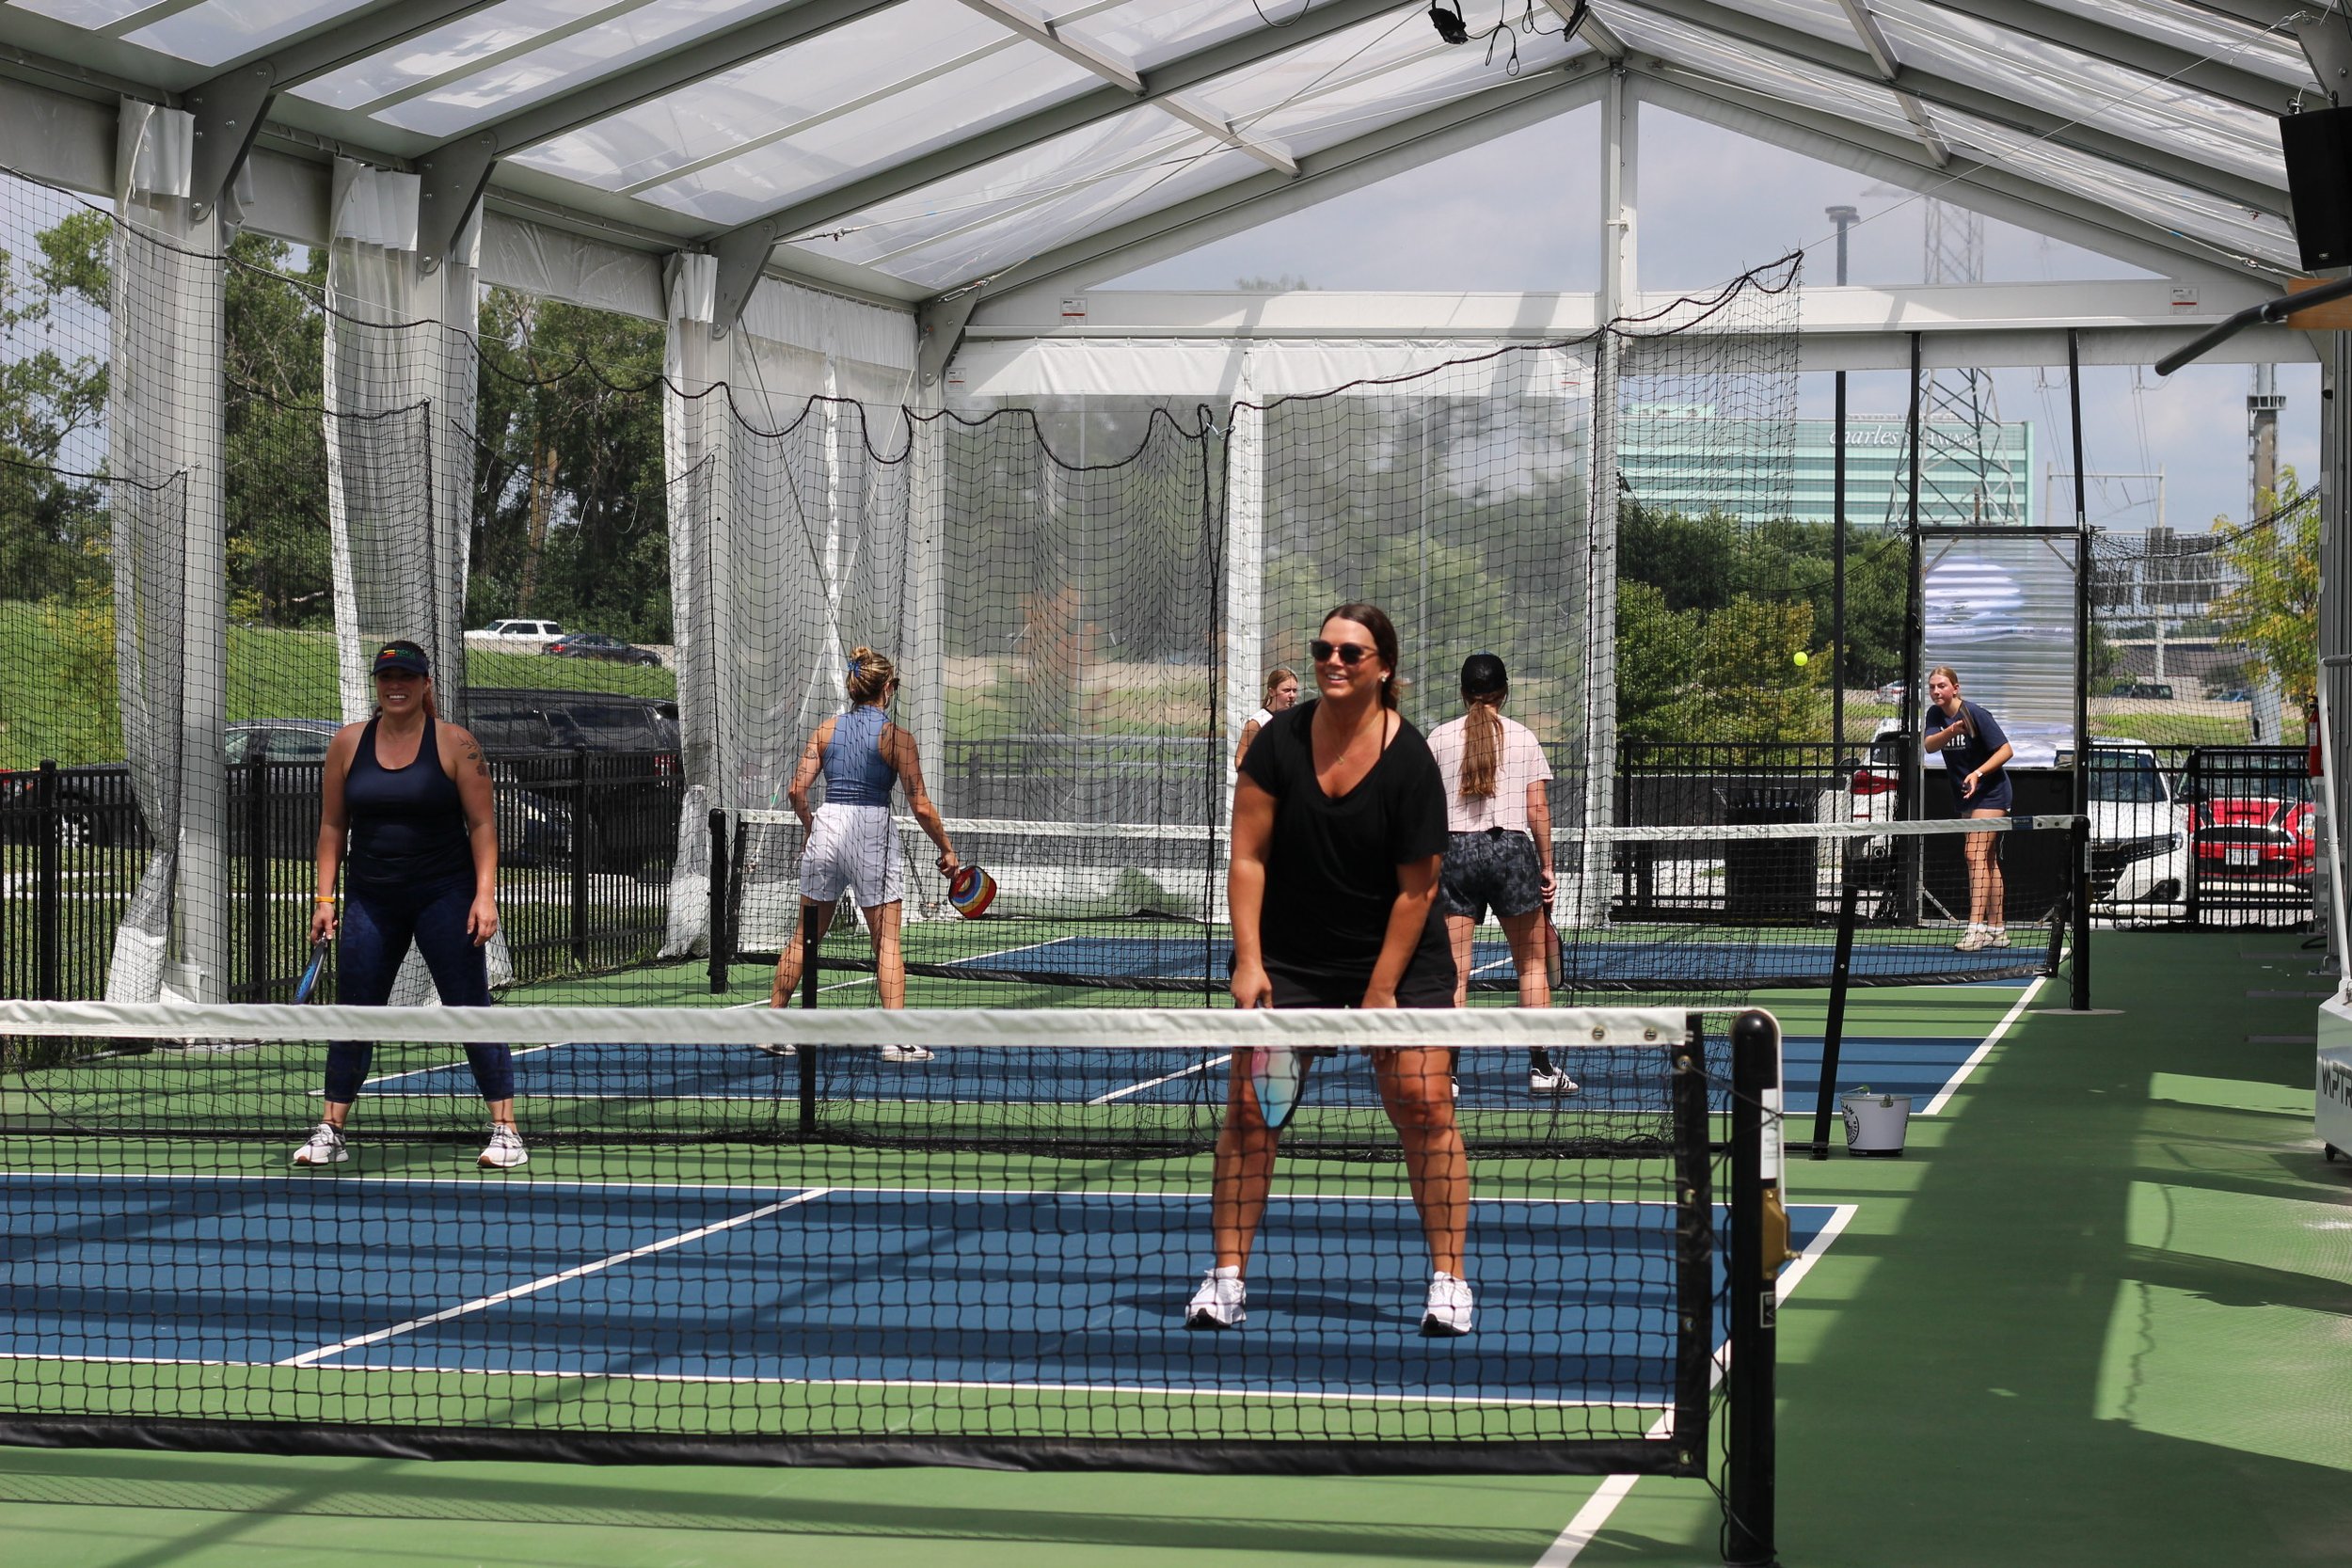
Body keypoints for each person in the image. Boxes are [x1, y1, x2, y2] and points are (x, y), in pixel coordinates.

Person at [1187, 603, 1471, 1338]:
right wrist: (1249, 960)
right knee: (1253, 1114)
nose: (1334, 661)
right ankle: (1225, 1279)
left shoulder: (1409, 759)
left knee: (1424, 1104)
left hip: (1401, 962)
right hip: (1291, 960)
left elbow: (1420, 889)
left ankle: (1449, 1279)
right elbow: (1246, 856)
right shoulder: (1278, 743)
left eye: (1352, 651)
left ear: (1383, 667)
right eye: (1325, 649)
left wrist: (1380, 992)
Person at [294, 641, 522, 1169]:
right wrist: (324, 898)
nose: (395, 686)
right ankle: (331, 1129)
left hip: (445, 895)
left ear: (425, 685)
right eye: (386, 677)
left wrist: (484, 896)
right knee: (354, 1013)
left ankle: (506, 1130)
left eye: (406, 677)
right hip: (372, 900)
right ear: (377, 685)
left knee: (470, 1008)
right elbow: (332, 826)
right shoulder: (348, 744)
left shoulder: (456, 743)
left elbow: (484, 825)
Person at [768, 647, 961, 1058]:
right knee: (887, 942)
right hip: (872, 829)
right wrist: (947, 850)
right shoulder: (898, 738)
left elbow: (795, 791)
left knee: (805, 937)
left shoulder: (824, 730)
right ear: (887, 688)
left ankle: (772, 1026)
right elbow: (921, 805)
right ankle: (894, 1039)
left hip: (829, 825)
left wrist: (812, 828)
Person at [1427, 653, 1578, 1096]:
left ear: (1462, 691)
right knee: (1532, 967)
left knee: (1454, 971)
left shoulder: (1438, 738)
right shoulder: (1524, 738)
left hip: (1454, 853)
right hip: (1512, 854)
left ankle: (1447, 1075)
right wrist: (1547, 865)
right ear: (1504, 692)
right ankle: (1542, 1070)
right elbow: (1537, 810)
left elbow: (1427, 811)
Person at [1922, 665, 2015, 952]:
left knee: (1973, 855)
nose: (1936, 691)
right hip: (1966, 796)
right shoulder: (1935, 715)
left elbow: (2006, 750)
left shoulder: (1976, 713)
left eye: (1942, 686)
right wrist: (1951, 730)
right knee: (1986, 860)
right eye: (1933, 687)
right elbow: (1928, 746)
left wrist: (1978, 773)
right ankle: (1997, 930)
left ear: (1955, 688)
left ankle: (1975, 929)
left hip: (1992, 793)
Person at [1233, 666, 1301, 769]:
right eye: (1287, 690)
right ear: (1271, 692)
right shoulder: (1258, 722)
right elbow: (1240, 758)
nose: (1292, 695)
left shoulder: (1297, 719)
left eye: (1294, 690)